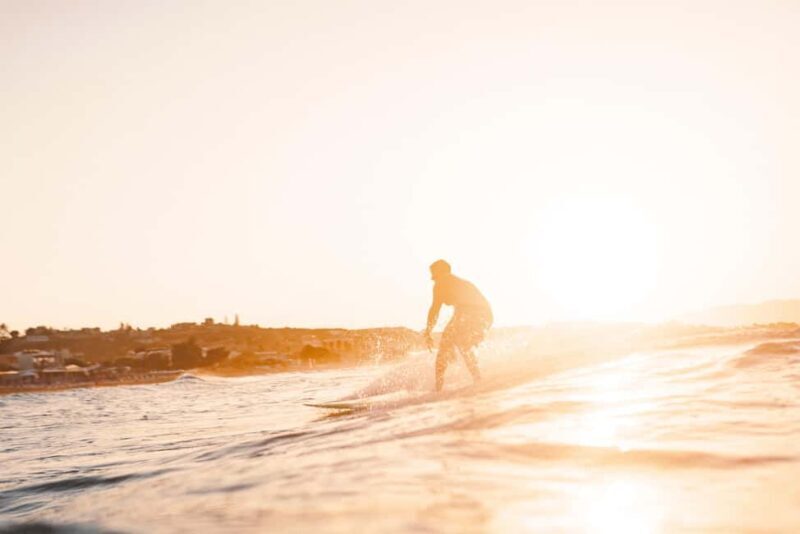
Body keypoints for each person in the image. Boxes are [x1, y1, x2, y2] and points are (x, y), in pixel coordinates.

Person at [423, 260, 493, 391]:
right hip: (485, 314)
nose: (434, 280)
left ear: (443, 272)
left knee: (450, 343)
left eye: (435, 276)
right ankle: (478, 379)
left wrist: (428, 331)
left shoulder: (442, 283)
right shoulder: (460, 283)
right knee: (462, 343)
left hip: (472, 312)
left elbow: (435, 309)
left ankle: (438, 389)